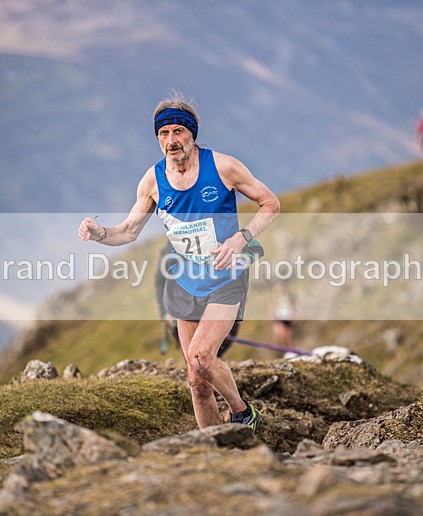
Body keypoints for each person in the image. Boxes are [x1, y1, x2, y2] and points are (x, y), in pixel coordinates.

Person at [80, 91, 280, 432]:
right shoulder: (152, 181)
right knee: (196, 380)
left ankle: (243, 413)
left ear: (192, 134)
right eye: (163, 134)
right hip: (185, 284)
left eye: (178, 132)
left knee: (202, 357)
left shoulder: (223, 166)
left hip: (225, 278)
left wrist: (240, 239)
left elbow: (270, 203)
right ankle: (215, 450)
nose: (171, 141)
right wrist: (100, 233)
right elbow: (128, 231)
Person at [270, 281, 296, 349]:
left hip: (287, 316)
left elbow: (294, 305)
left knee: (288, 336)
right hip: (279, 317)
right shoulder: (275, 296)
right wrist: (272, 315)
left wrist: (294, 315)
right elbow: (272, 305)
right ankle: (281, 351)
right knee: (280, 336)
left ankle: (289, 350)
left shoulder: (290, 296)